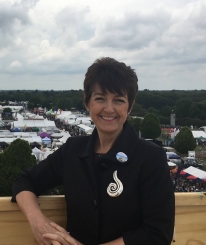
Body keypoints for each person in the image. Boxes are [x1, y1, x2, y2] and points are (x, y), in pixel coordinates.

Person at [12, 57, 175, 245]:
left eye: (119, 100)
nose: (109, 108)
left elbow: (158, 235)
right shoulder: (73, 150)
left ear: (130, 105)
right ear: (87, 102)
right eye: (100, 98)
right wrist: (38, 222)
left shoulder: (150, 157)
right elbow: (25, 181)